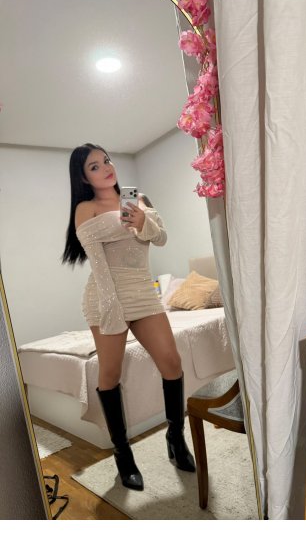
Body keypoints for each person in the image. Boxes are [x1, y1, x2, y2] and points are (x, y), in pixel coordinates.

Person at [62, 143, 195, 491]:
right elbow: (98, 264)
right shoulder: (86, 209)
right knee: (110, 374)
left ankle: (176, 438)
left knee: (172, 362)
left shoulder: (138, 198)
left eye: (106, 160)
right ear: (83, 177)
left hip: (142, 291)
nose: (106, 167)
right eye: (94, 166)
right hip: (106, 294)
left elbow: (161, 238)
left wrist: (142, 221)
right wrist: (112, 310)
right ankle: (123, 454)